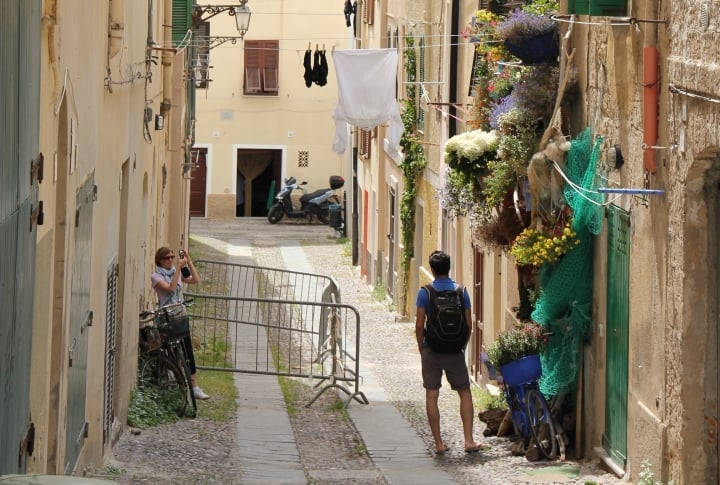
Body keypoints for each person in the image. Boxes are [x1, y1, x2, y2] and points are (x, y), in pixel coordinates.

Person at [415, 250, 483, 454]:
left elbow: (419, 324)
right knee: (464, 392)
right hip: (455, 350)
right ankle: (469, 441)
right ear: (449, 268)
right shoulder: (461, 291)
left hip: (432, 348)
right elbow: (469, 324)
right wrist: (461, 345)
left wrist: (421, 346)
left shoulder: (425, 292)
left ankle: (438, 444)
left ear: (433, 270)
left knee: (432, 394)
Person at [151, 246, 210, 400]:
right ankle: (171, 372)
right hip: (166, 317)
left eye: (172, 257)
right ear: (159, 260)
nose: (170, 260)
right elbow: (170, 290)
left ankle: (194, 386)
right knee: (168, 348)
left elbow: (196, 280)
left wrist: (189, 263)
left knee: (187, 349)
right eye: (167, 258)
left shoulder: (174, 273)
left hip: (180, 314)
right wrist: (177, 269)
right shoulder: (157, 276)